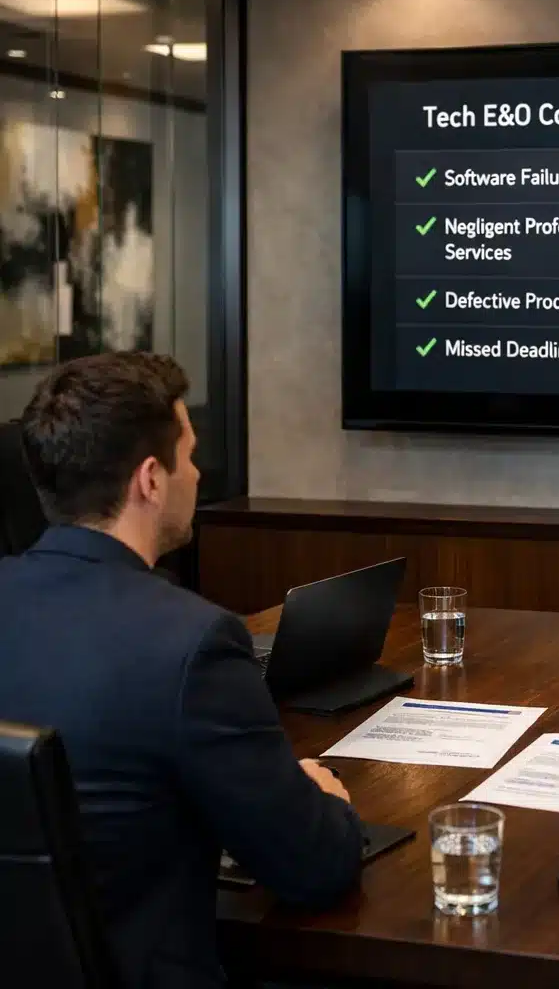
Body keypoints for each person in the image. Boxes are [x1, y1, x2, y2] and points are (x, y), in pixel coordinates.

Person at [0, 353, 363, 989]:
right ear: (151, 480)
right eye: (189, 457)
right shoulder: (193, 644)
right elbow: (314, 870)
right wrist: (323, 802)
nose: (196, 474)